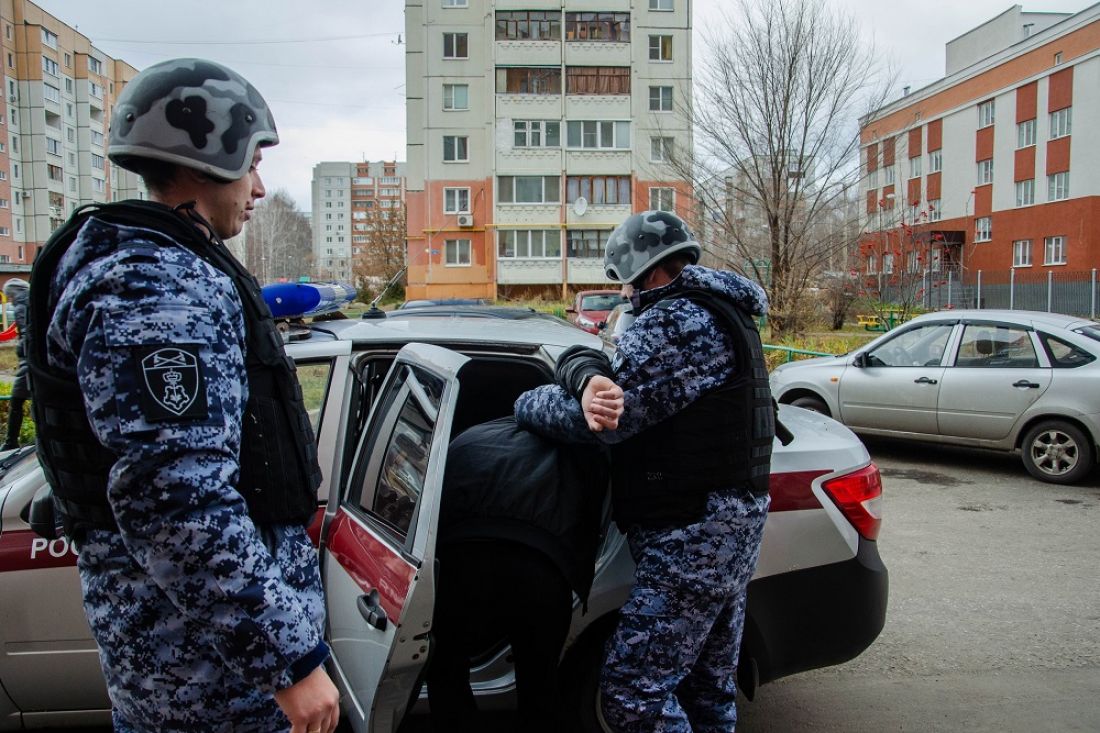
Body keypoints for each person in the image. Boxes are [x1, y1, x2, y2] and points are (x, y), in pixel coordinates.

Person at [24, 58, 339, 733]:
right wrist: (290, 658)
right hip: (212, 686)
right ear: (205, 157)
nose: (258, 187)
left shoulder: (151, 267)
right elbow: (177, 502)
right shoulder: (154, 288)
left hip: (197, 668)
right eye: (251, 163)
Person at [515, 210, 775, 732]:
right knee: (708, 689)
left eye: (630, 285)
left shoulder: (675, 322)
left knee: (634, 696)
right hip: (729, 528)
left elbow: (605, 419)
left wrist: (526, 400)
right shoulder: (726, 308)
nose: (629, 296)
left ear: (645, 273)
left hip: (692, 535)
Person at [426, 415, 614, 732]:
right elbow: (588, 523)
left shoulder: (468, 436)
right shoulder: (576, 451)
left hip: (464, 566)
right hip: (541, 573)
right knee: (539, 684)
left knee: (446, 668)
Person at [1, 277, 28, 451]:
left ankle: (11, 441)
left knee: (16, 401)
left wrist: (21, 350)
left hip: (29, 363)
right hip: (33, 361)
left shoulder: (21, 305)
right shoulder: (31, 301)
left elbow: (26, 334)